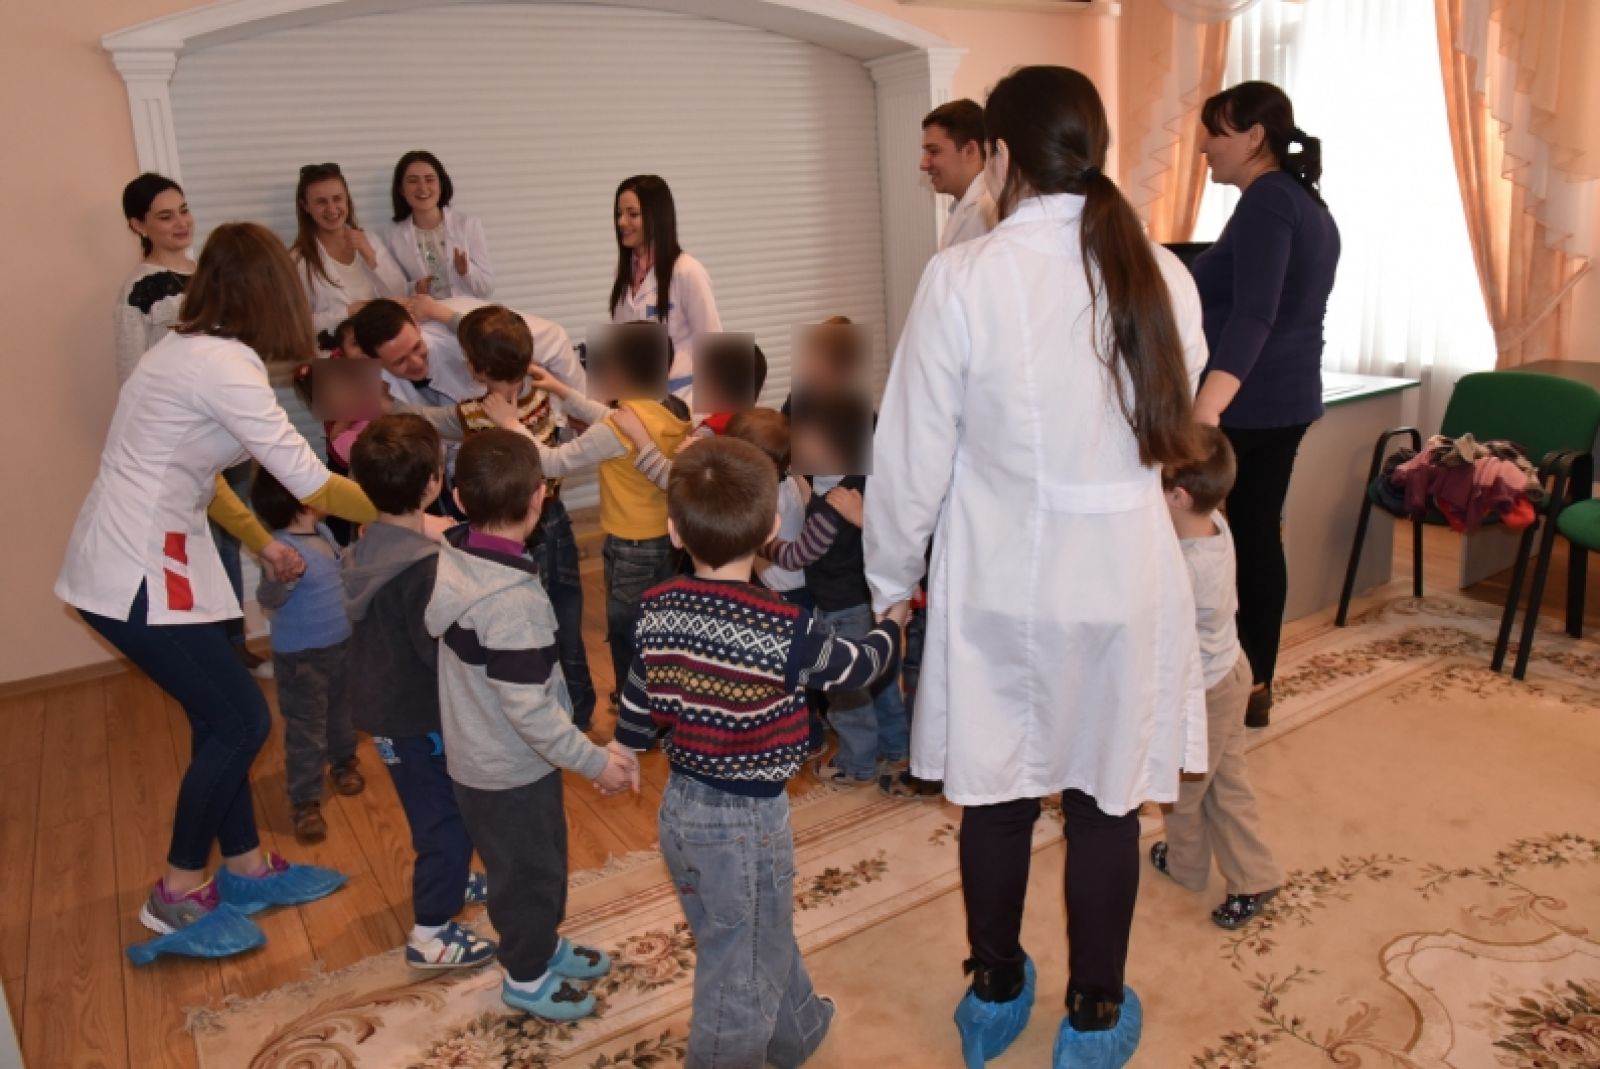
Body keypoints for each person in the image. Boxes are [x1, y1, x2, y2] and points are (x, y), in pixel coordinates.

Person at [864, 67, 1209, 1068]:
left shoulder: (964, 277)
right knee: (1106, 801)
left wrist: (888, 582)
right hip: (1123, 580)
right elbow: (1170, 418)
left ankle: (995, 987)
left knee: (998, 792)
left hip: (1001, 585)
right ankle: (1094, 1011)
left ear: (1002, 156)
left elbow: (912, 454)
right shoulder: (1163, 274)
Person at [57, 222, 378, 955]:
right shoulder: (223, 365)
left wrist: (263, 542)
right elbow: (312, 482)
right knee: (241, 721)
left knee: (218, 719)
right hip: (133, 571)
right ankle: (176, 893)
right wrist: (409, 511)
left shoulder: (189, 350)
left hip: (156, 561)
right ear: (271, 294)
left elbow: (206, 480)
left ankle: (244, 866)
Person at [614, 437, 909, 1067]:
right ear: (773, 527)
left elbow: (639, 691)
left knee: (749, 933)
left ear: (673, 530)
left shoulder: (655, 608)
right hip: (745, 823)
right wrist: (892, 624)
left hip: (679, 808)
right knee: (740, 970)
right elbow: (858, 667)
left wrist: (625, 747)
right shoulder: (784, 627)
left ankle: (798, 1029)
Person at [424, 430, 639, 1019]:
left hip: (493, 756)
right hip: (506, 767)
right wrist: (596, 761)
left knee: (539, 860)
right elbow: (530, 711)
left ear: (459, 499)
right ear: (540, 498)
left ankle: (541, 945)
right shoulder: (511, 602)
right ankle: (525, 975)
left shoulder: (462, 553)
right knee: (527, 875)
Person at [1189, 81, 1340, 729]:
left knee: (1217, 541)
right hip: (1288, 399)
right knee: (1256, 535)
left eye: (1216, 132)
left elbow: (1255, 314)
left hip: (1247, 406)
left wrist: (1206, 408)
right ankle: (1255, 684)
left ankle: (1225, 680)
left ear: (1254, 137)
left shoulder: (1268, 201)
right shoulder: (1302, 202)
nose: (1204, 146)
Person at [343, 414, 496, 971]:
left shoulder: (362, 549)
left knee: (435, 806)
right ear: (434, 483)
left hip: (387, 711)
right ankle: (430, 932)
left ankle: (453, 879)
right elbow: (442, 654)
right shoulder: (424, 571)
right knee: (445, 820)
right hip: (420, 715)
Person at [1152, 425, 1283, 928]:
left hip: (1205, 692)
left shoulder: (1185, 571)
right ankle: (1255, 873)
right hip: (1231, 670)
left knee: (1184, 789)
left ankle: (1185, 865)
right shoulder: (1216, 525)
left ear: (1179, 496)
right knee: (1227, 784)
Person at [250, 469, 363, 844]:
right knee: (306, 729)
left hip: (341, 645)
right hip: (302, 659)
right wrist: (281, 578)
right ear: (302, 501)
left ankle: (343, 762)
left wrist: (358, 551)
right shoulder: (279, 549)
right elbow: (268, 598)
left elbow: (338, 569)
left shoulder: (323, 533)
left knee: (341, 711)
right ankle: (305, 801)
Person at [609, 175, 722, 396]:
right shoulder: (622, 274)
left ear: (656, 217)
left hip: (684, 396)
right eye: (619, 214)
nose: (622, 222)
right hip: (638, 396)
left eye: (633, 214)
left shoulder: (687, 271)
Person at [290, 162, 409, 344]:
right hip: (333, 350)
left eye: (337, 198)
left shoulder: (370, 240)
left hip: (381, 343)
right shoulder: (298, 260)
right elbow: (297, 325)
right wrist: (348, 312)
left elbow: (399, 292)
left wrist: (370, 255)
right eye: (321, 202)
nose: (332, 209)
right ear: (305, 206)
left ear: (347, 199)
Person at [115, 173, 195, 384]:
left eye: (184, 211)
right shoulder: (139, 290)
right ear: (138, 225)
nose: (182, 223)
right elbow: (132, 375)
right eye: (166, 217)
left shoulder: (210, 274)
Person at [384, 150, 495, 299]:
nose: (422, 188)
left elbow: (487, 288)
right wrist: (415, 288)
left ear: (441, 184)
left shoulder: (468, 225)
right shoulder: (393, 235)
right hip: (425, 311)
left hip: (467, 310)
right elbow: (393, 289)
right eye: (413, 181)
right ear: (401, 190)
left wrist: (467, 271)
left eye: (429, 179)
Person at [922, 100, 999, 251]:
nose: (923, 164)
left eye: (934, 151)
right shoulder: (964, 207)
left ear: (970, 150)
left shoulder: (991, 210)